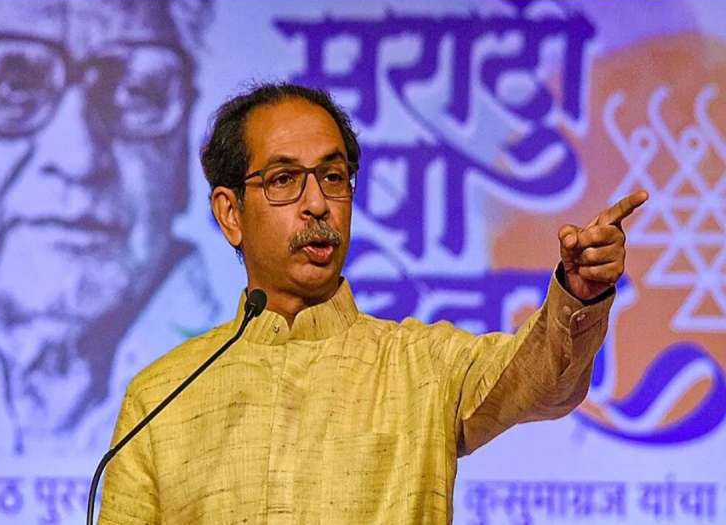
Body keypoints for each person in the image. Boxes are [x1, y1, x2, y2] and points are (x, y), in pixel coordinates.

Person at [99, 83, 648, 524]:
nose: (317, 204)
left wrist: (579, 293)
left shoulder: (423, 367)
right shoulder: (163, 397)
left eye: (333, 177)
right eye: (285, 179)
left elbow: (544, 381)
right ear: (230, 213)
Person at [0, 0, 215, 455]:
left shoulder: (255, 379)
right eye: (14, 85)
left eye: (134, 90)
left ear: (184, 151)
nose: (79, 158)